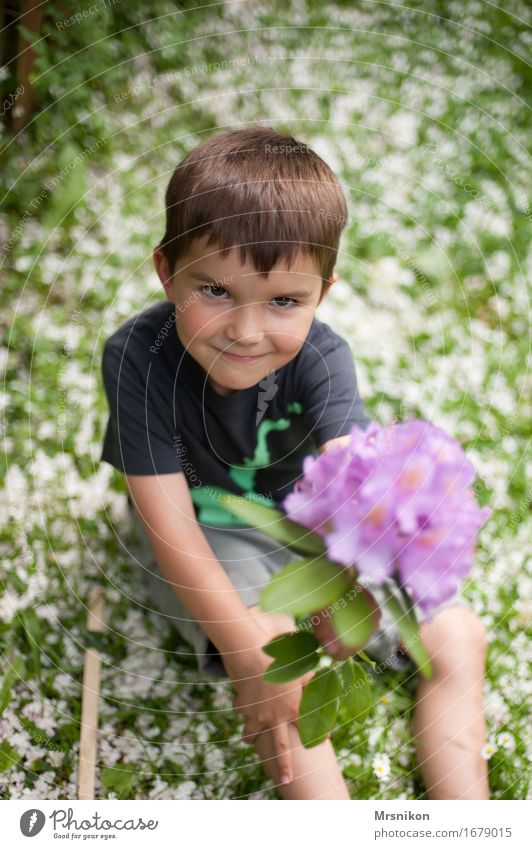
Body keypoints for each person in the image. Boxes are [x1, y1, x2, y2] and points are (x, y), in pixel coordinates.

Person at [100, 126, 489, 800]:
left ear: (323, 292)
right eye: (214, 290)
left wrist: (353, 587)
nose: (246, 332)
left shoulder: (323, 360)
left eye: (283, 301)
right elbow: (170, 529)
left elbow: (354, 483)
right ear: (166, 270)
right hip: (212, 534)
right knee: (280, 662)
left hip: (313, 528)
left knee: (458, 635)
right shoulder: (139, 355)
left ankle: (471, 825)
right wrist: (249, 653)